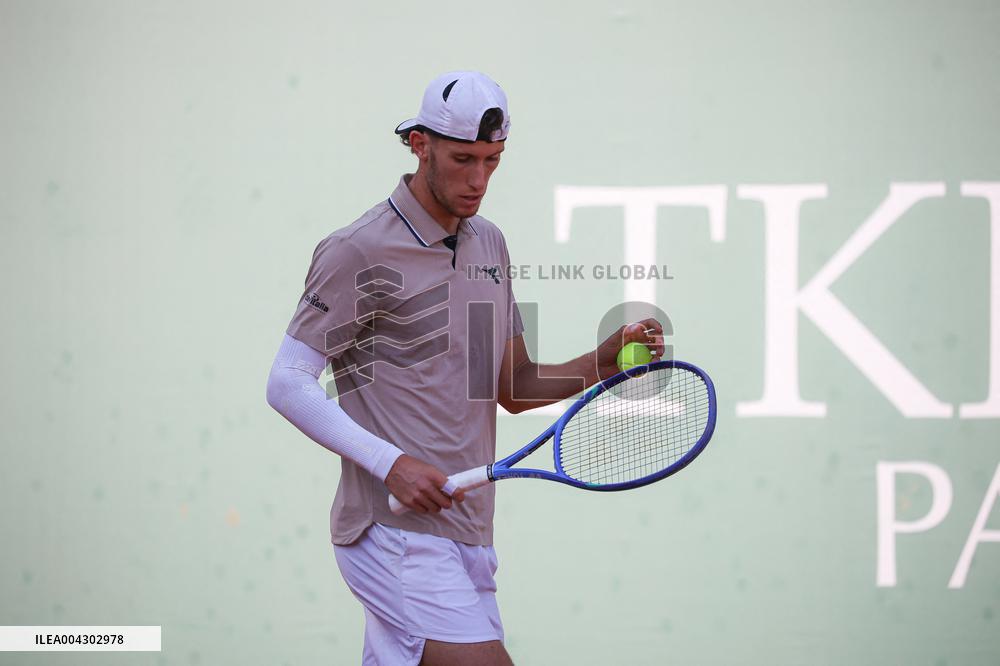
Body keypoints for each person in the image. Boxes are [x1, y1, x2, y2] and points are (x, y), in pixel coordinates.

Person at [266, 70, 664, 666]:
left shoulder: (489, 244)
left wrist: (601, 363)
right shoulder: (358, 248)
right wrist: (391, 464)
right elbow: (287, 383)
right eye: (462, 160)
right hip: (393, 531)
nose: (479, 180)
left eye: (493, 160)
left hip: (470, 534)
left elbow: (513, 387)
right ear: (419, 144)